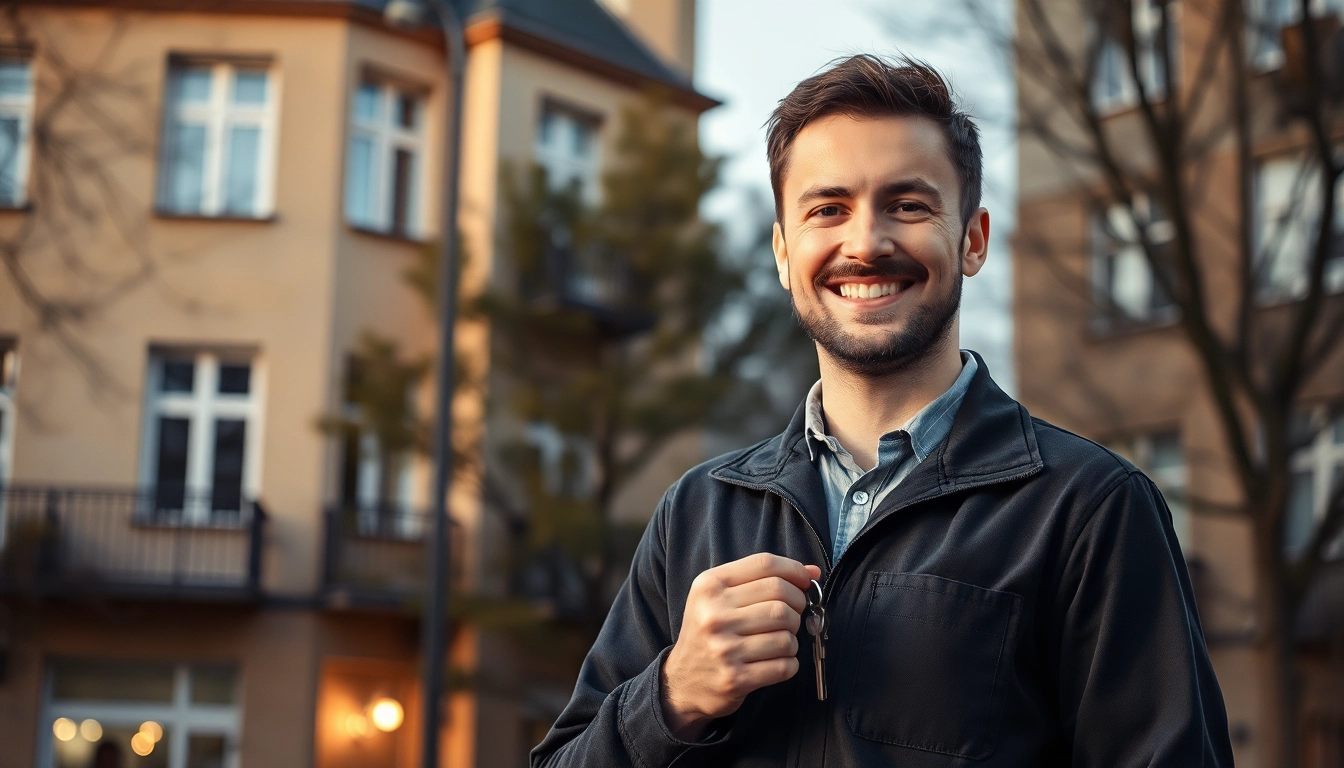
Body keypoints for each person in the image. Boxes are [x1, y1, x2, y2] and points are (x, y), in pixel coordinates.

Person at [531, 54, 1233, 767]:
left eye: (908, 206)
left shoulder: (1089, 508)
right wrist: (672, 695)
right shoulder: (697, 513)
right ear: (783, 252)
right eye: (827, 210)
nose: (865, 243)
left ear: (973, 240)